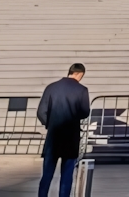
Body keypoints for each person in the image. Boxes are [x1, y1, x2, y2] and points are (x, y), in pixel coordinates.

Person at [36, 63, 90, 197]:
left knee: (47, 175)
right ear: (80, 74)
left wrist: (51, 123)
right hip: (71, 137)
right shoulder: (82, 90)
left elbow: (41, 112)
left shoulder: (51, 87)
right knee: (66, 176)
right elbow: (85, 112)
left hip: (53, 137)